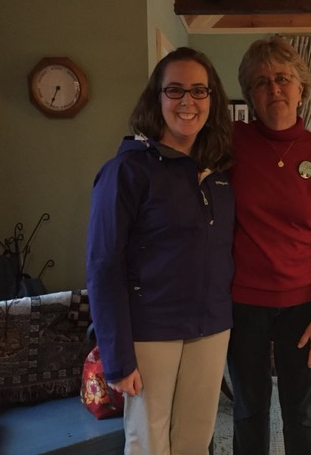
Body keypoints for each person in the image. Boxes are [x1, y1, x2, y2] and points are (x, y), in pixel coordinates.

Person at [86, 47, 234, 455]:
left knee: (196, 438)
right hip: (150, 331)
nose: (188, 101)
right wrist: (116, 355)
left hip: (211, 325)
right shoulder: (127, 171)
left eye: (199, 91)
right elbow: (103, 267)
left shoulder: (218, 173)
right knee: (149, 440)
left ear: (212, 100)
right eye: (175, 90)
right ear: (157, 98)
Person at [228, 35, 311, 455]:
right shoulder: (231, 144)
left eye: (283, 79)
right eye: (261, 82)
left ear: (302, 89)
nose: (274, 89)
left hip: (304, 306)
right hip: (241, 303)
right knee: (248, 408)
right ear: (250, 93)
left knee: (302, 413)